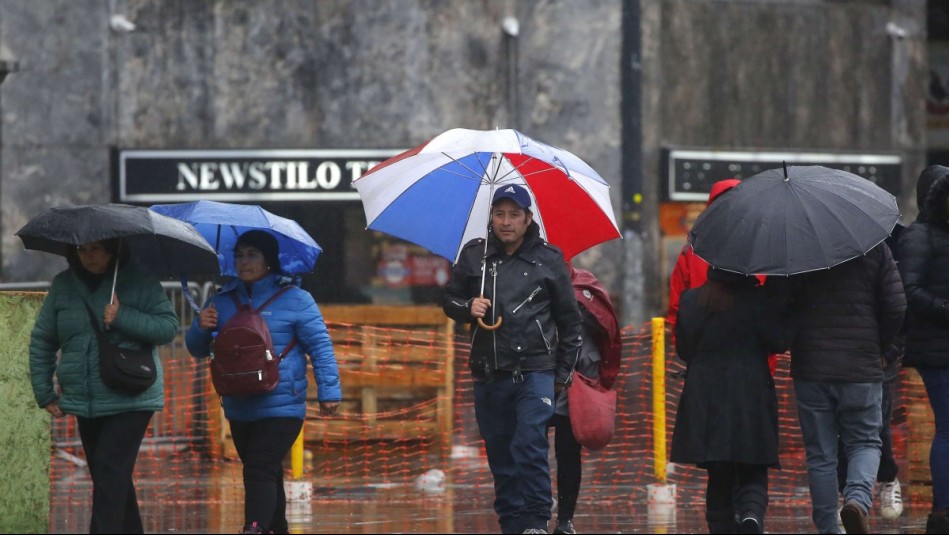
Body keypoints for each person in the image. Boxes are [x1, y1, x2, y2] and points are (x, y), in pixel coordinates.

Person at [443, 184, 583, 535]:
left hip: (536, 371)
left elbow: (570, 322)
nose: (506, 222)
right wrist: (467, 308)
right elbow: (449, 300)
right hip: (488, 373)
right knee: (501, 455)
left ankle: (536, 521)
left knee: (530, 444)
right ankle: (511, 523)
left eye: (514, 215)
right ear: (491, 217)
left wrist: (562, 375)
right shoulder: (475, 256)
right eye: (499, 214)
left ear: (527, 219)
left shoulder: (549, 259)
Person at [185, 230, 341, 535]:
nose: (244, 261)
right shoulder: (221, 300)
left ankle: (253, 528)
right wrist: (201, 327)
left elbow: (320, 346)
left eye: (252, 254)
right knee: (265, 471)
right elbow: (197, 349)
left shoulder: (296, 300)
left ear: (270, 260)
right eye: (240, 254)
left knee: (259, 468)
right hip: (239, 403)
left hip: (282, 404)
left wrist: (329, 391)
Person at [29, 238, 179, 534]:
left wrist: (122, 317)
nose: (88, 256)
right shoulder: (63, 285)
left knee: (110, 470)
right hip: (86, 398)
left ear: (114, 249)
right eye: (82, 249)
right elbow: (43, 340)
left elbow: (168, 327)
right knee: (109, 476)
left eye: (96, 248)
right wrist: (44, 391)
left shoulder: (139, 280)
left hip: (132, 394)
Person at [788, 241, 906, 534]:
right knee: (865, 442)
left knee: (820, 454)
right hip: (861, 366)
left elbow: (781, 307)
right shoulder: (874, 247)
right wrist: (882, 347)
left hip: (812, 368)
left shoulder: (796, 252)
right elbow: (896, 304)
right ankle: (856, 501)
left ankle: (829, 528)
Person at [670, 267, 791, 534]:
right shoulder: (758, 300)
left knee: (718, 471)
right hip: (750, 395)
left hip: (706, 396)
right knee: (753, 466)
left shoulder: (692, 300)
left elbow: (684, 349)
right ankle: (751, 516)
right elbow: (779, 341)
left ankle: (721, 527)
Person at [836, 226, 907, 524]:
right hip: (841, 358)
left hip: (874, 360)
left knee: (873, 429)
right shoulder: (827, 256)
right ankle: (850, 497)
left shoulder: (883, 249)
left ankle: (879, 484)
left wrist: (887, 353)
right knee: (857, 432)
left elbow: (897, 307)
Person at [550, 265, 622, 535]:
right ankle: (539, 505)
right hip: (535, 373)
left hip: (575, 377)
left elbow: (605, 326)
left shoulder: (583, 284)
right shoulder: (518, 277)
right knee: (528, 446)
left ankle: (565, 519)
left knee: (568, 451)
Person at [897, 164, 949, 534]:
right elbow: (909, 291)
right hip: (935, 351)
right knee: (947, 429)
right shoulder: (919, 238)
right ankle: (942, 510)